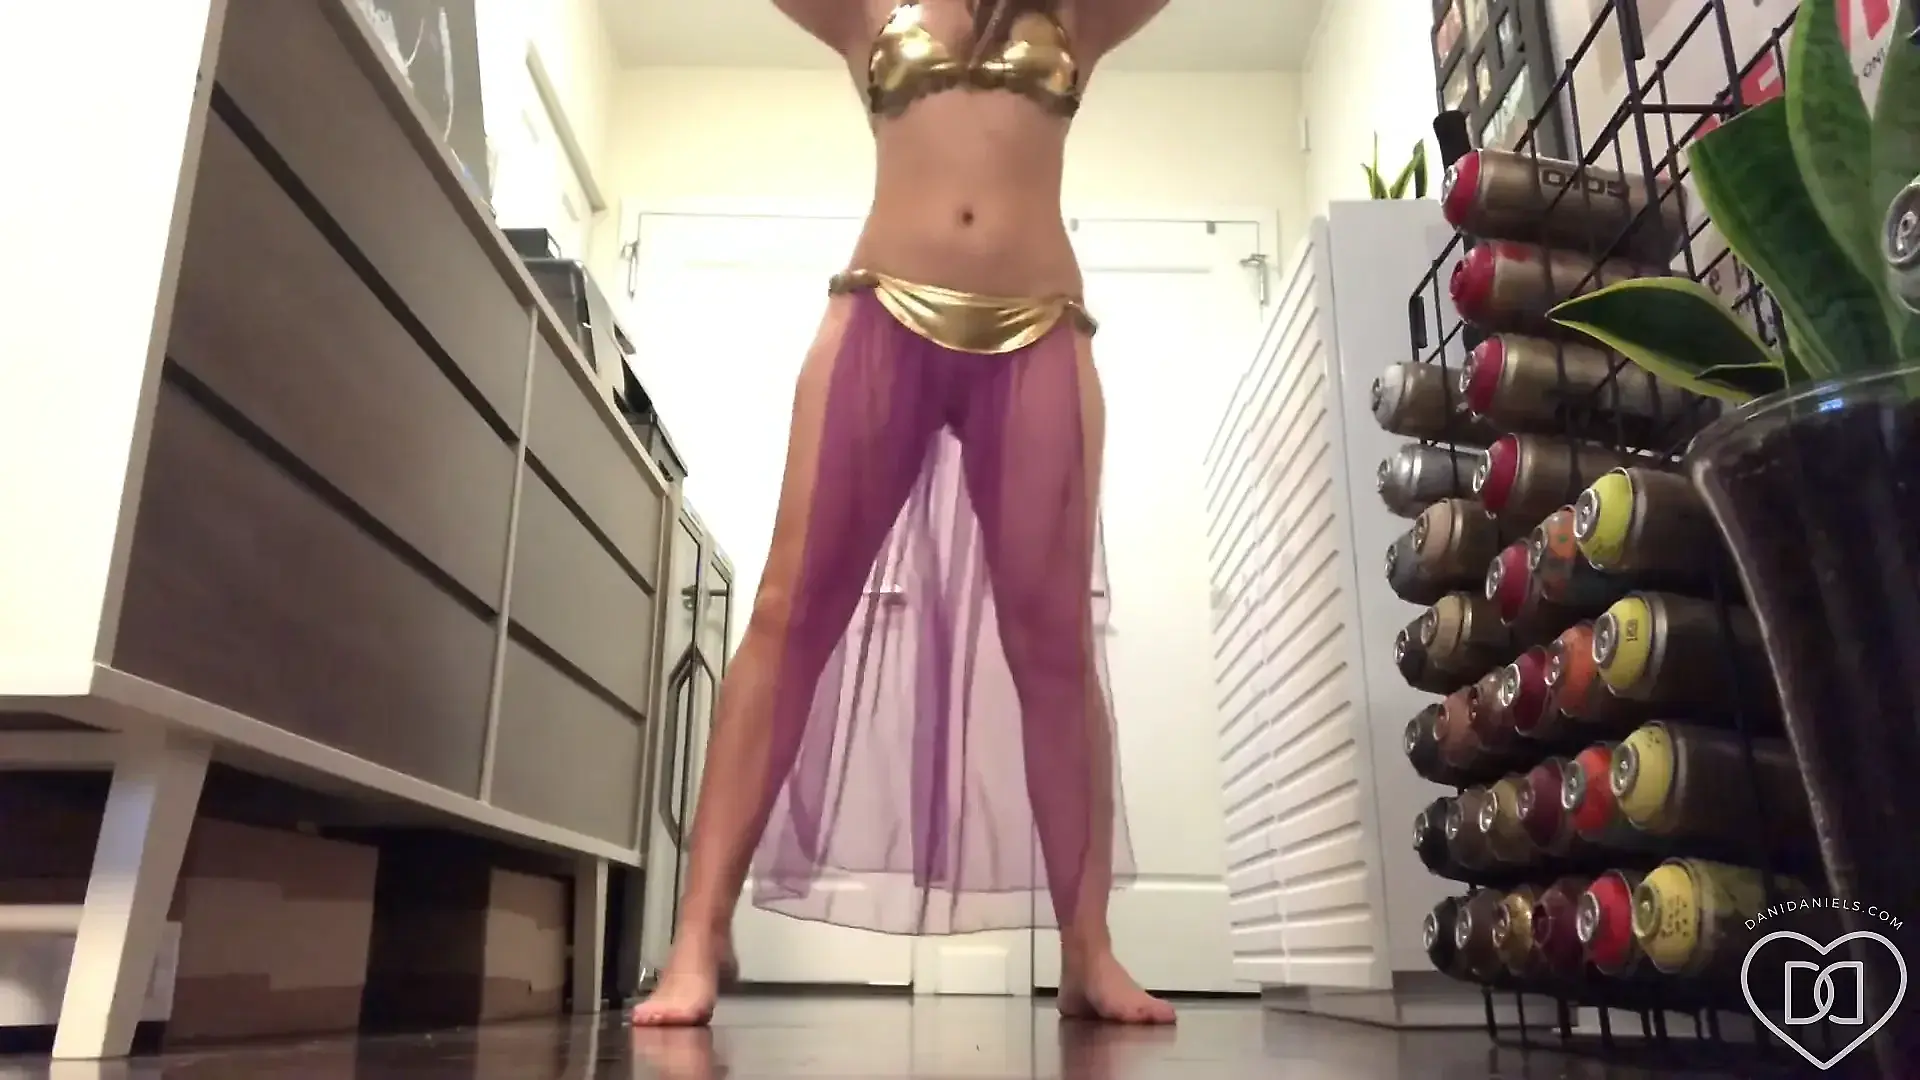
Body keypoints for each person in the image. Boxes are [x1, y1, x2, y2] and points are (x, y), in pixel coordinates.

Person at [631, 0, 1177, 1028]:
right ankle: (698, 933)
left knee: (1055, 642)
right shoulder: (870, 10)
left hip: (1039, 332)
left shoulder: (1073, 15)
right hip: (881, 315)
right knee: (788, 613)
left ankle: (1088, 951)